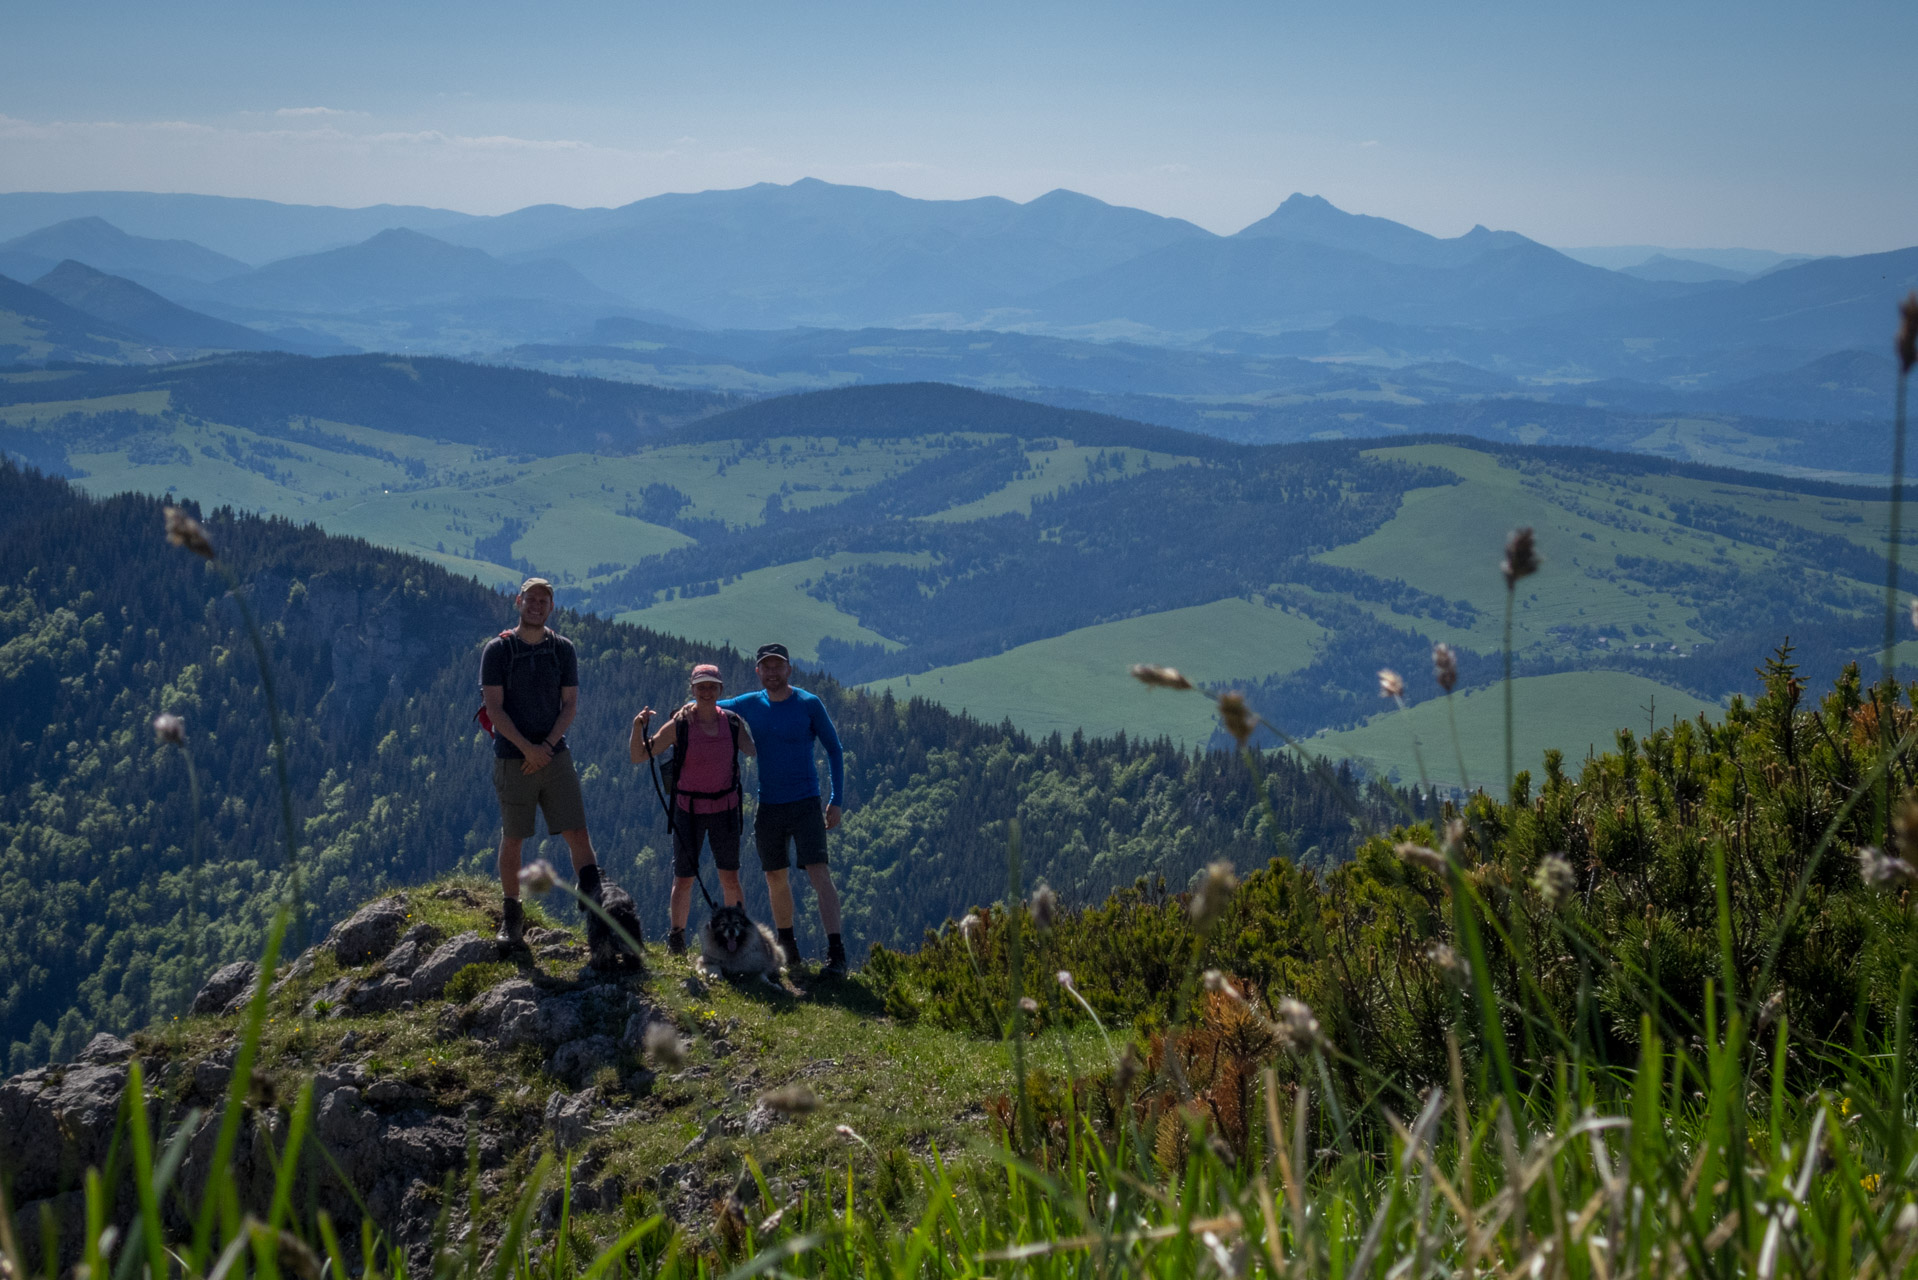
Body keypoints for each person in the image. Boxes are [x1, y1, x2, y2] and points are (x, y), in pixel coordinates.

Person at [479, 577, 605, 948]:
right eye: (530, 599)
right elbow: (493, 708)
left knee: (577, 833)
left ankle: (599, 913)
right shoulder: (498, 651)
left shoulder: (562, 650)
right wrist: (527, 748)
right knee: (514, 837)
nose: (536, 605)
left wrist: (545, 747)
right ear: (518, 601)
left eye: (543, 601)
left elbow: (569, 705)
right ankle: (511, 918)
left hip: (554, 755)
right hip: (513, 758)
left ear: (552, 607)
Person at [721, 643, 849, 973]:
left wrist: (836, 799)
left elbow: (834, 749)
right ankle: (788, 948)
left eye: (778, 666)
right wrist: (687, 708)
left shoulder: (808, 703)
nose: (773, 672)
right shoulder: (751, 703)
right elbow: (709, 704)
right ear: (758, 671)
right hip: (769, 806)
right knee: (775, 877)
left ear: (789, 669)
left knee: (820, 875)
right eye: (767, 666)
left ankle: (836, 952)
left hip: (807, 804)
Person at [631, 663, 757, 956]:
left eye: (712, 686)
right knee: (684, 878)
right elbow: (639, 755)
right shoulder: (680, 725)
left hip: (725, 810)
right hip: (688, 811)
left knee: (730, 877)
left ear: (720, 690)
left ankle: (738, 939)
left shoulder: (733, 723)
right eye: (701, 686)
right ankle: (677, 940)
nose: (707, 691)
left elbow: (754, 748)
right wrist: (637, 727)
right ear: (692, 690)